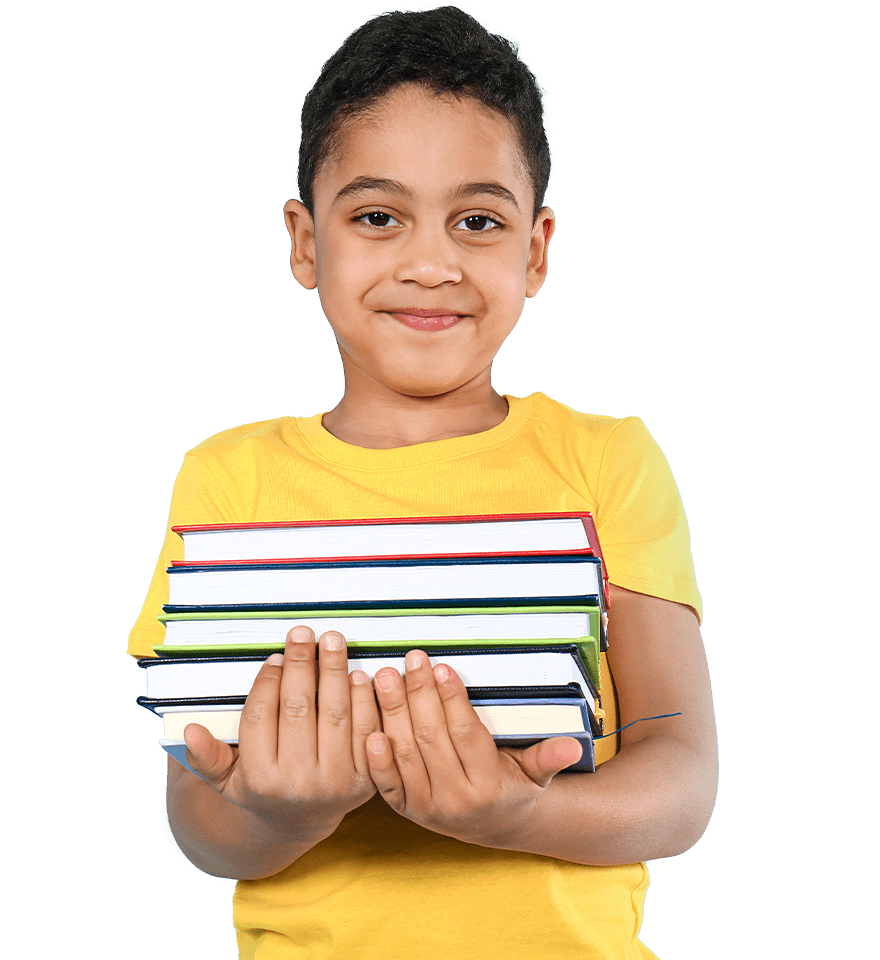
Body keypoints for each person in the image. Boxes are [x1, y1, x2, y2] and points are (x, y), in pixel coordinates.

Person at [128, 7, 717, 958]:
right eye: (376, 217)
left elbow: (682, 784)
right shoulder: (228, 479)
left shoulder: (606, 459)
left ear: (535, 250)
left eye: (477, 220)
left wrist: (516, 818)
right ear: (305, 242)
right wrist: (279, 815)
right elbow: (200, 818)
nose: (432, 262)